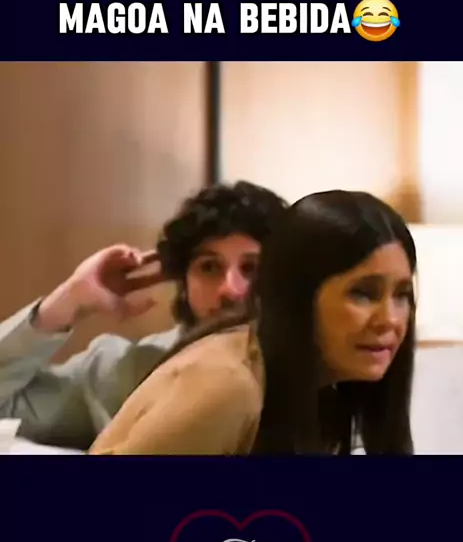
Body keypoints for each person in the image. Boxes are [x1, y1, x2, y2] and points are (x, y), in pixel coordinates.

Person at [89, 190, 417, 456]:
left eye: (402, 295)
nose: (389, 319)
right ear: (296, 294)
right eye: (363, 293)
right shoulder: (227, 384)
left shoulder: (328, 388)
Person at [0, 181, 288, 450]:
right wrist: (68, 300)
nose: (231, 290)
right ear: (183, 282)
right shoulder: (124, 371)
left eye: (252, 269)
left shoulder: (309, 376)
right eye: (209, 267)